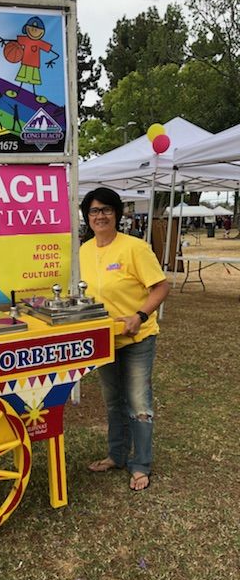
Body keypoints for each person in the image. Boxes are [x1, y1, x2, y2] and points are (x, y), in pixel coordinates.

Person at [79, 187, 170, 491]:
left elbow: (160, 287)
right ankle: (116, 456)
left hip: (137, 338)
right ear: (87, 217)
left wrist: (139, 316)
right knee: (112, 402)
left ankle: (141, 464)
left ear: (116, 213)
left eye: (106, 209)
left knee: (138, 402)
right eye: (94, 211)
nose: (100, 215)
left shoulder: (134, 247)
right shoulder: (84, 250)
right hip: (104, 339)